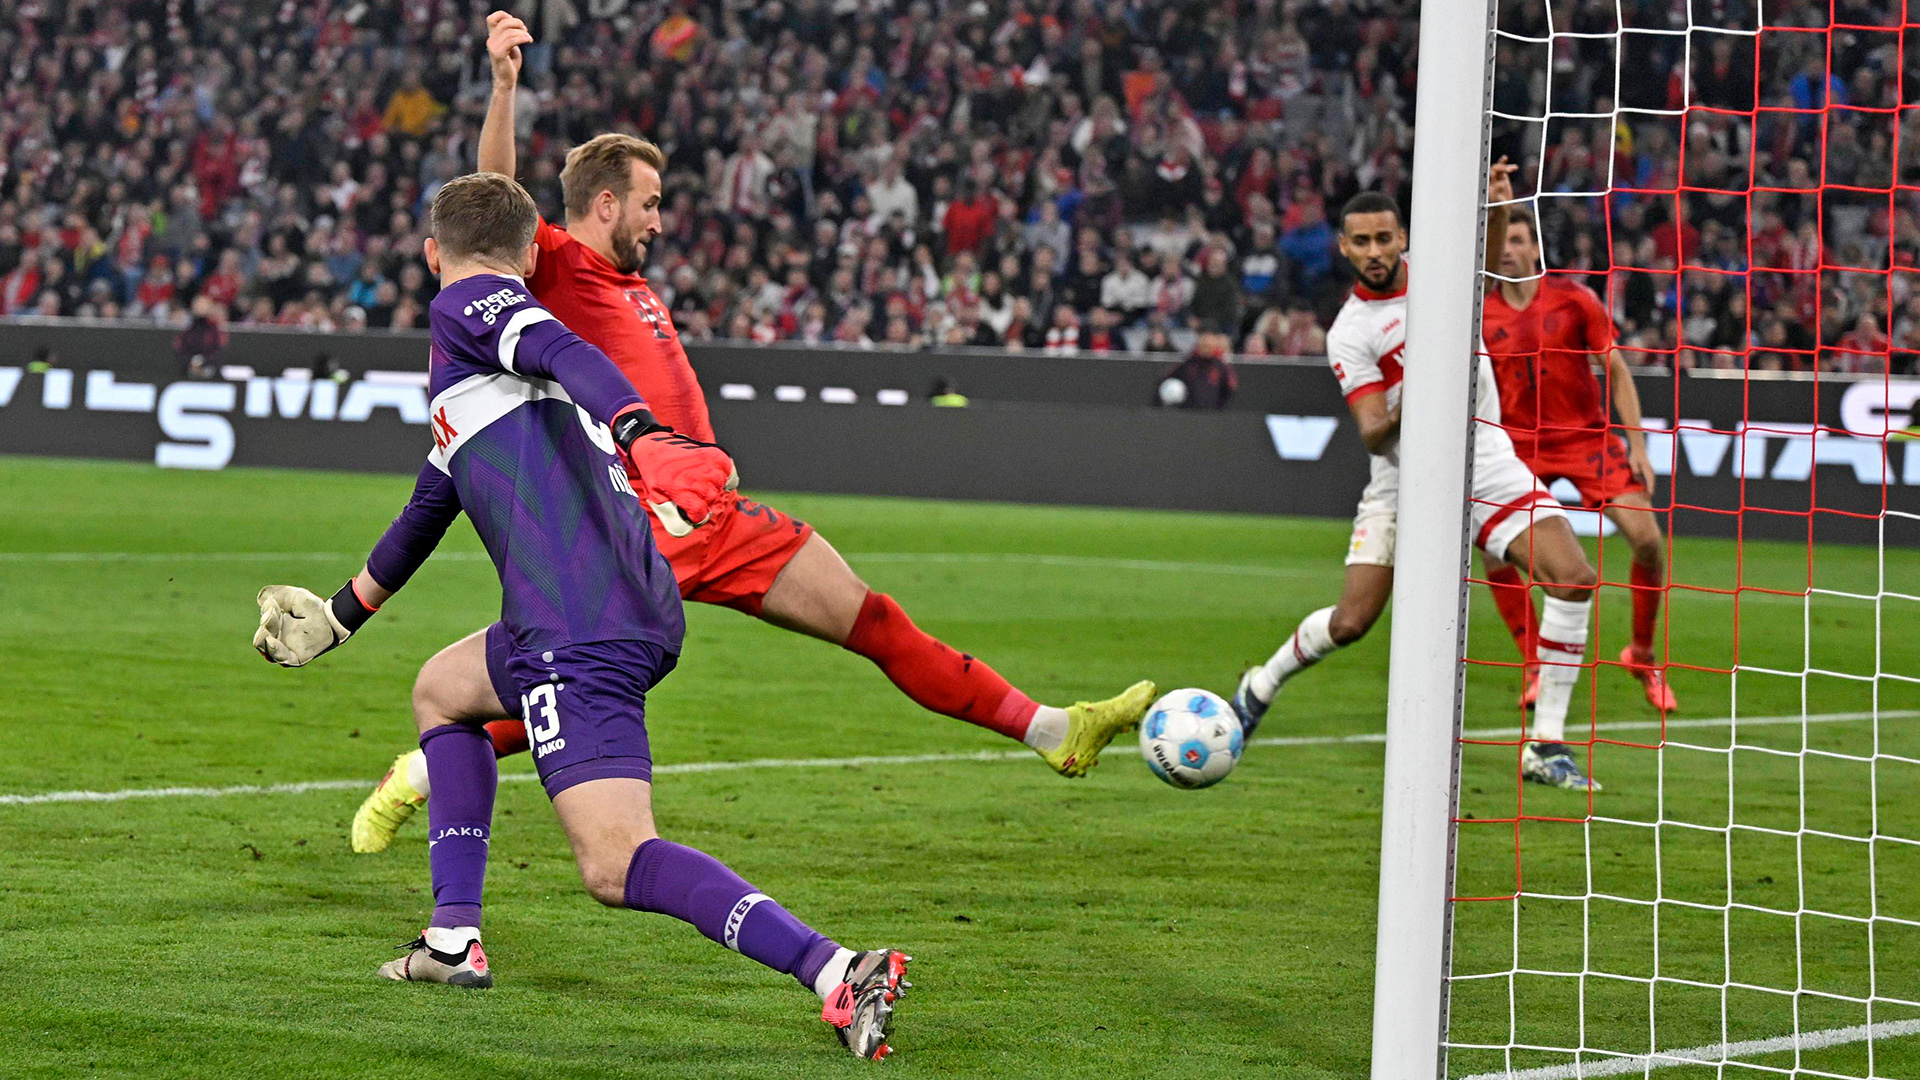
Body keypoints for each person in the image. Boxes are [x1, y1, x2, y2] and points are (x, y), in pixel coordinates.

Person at [349, 12, 1153, 855]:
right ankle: (427, 770)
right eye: (651, 204)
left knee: (871, 619)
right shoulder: (553, 263)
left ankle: (1051, 728)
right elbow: (490, 205)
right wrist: (505, 88)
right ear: (607, 202)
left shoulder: (633, 284)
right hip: (647, 515)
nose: (660, 222)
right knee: (586, 677)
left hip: (719, 512)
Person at [251, 172, 911, 1060]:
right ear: (533, 249)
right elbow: (429, 504)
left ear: (431, 254)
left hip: (579, 623)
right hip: (594, 606)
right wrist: (338, 617)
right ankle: (451, 941)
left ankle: (836, 968)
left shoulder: (474, 307)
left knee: (614, 863)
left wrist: (645, 434)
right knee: (443, 690)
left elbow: (560, 350)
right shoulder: (473, 378)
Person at [1228, 170, 1607, 792]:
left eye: (1384, 238)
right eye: (1362, 242)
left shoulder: (1440, 275)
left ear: (1402, 237)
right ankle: (1260, 684)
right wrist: (1424, 384)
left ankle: (1546, 744)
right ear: (1345, 249)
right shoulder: (1351, 332)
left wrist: (1499, 205)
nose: (1375, 251)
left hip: (1482, 456)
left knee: (1573, 578)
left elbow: (1487, 266)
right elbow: (1376, 432)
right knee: (1352, 623)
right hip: (1401, 479)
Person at [1480, 208, 1675, 712]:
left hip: (1585, 436)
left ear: (1535, 248)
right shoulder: (1481, 314)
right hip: (1519, 445)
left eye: (1519, 240)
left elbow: (1616, 367)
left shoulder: (1573, 298)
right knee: (1495, 552)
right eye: (1504, 241)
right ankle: (1534, 664)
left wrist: (1637, 444)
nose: (1508, 250)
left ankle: (1643, 653)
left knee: (1648, 540)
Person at [1156, 328, 1238, 409]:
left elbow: (1230, 390)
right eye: (1203, 340)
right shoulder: (1187, 364)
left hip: (1212, 417)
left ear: (1215, 343)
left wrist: (1219, 411)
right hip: (1188, 416)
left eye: (1209, 342)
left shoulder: (1222, 367)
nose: (1206, 343)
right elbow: (1165, 380)